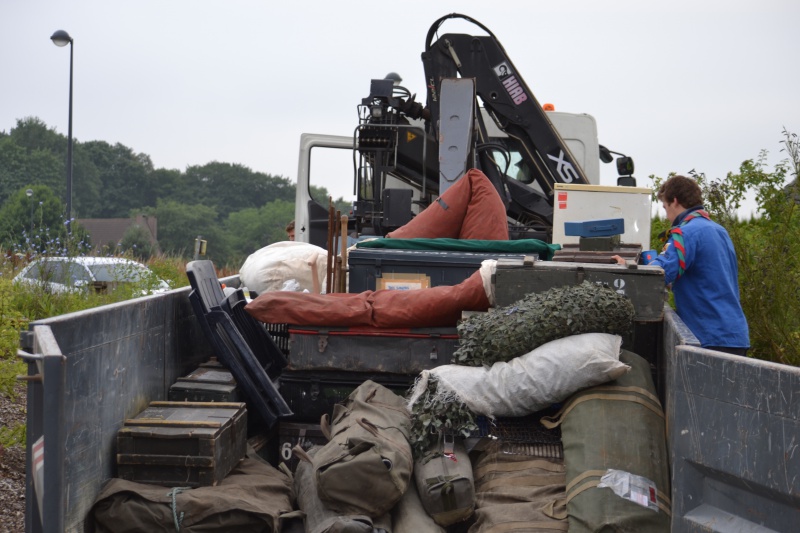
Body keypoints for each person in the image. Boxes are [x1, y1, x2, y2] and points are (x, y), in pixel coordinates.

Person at [613, 175, 749, 356]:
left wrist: (628, 267)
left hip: (708, 337)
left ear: (674, 201)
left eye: (665, 207)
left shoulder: (686, 233)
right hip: (735, 334)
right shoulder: (719, 231)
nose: (667, 215)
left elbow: (657, 275)